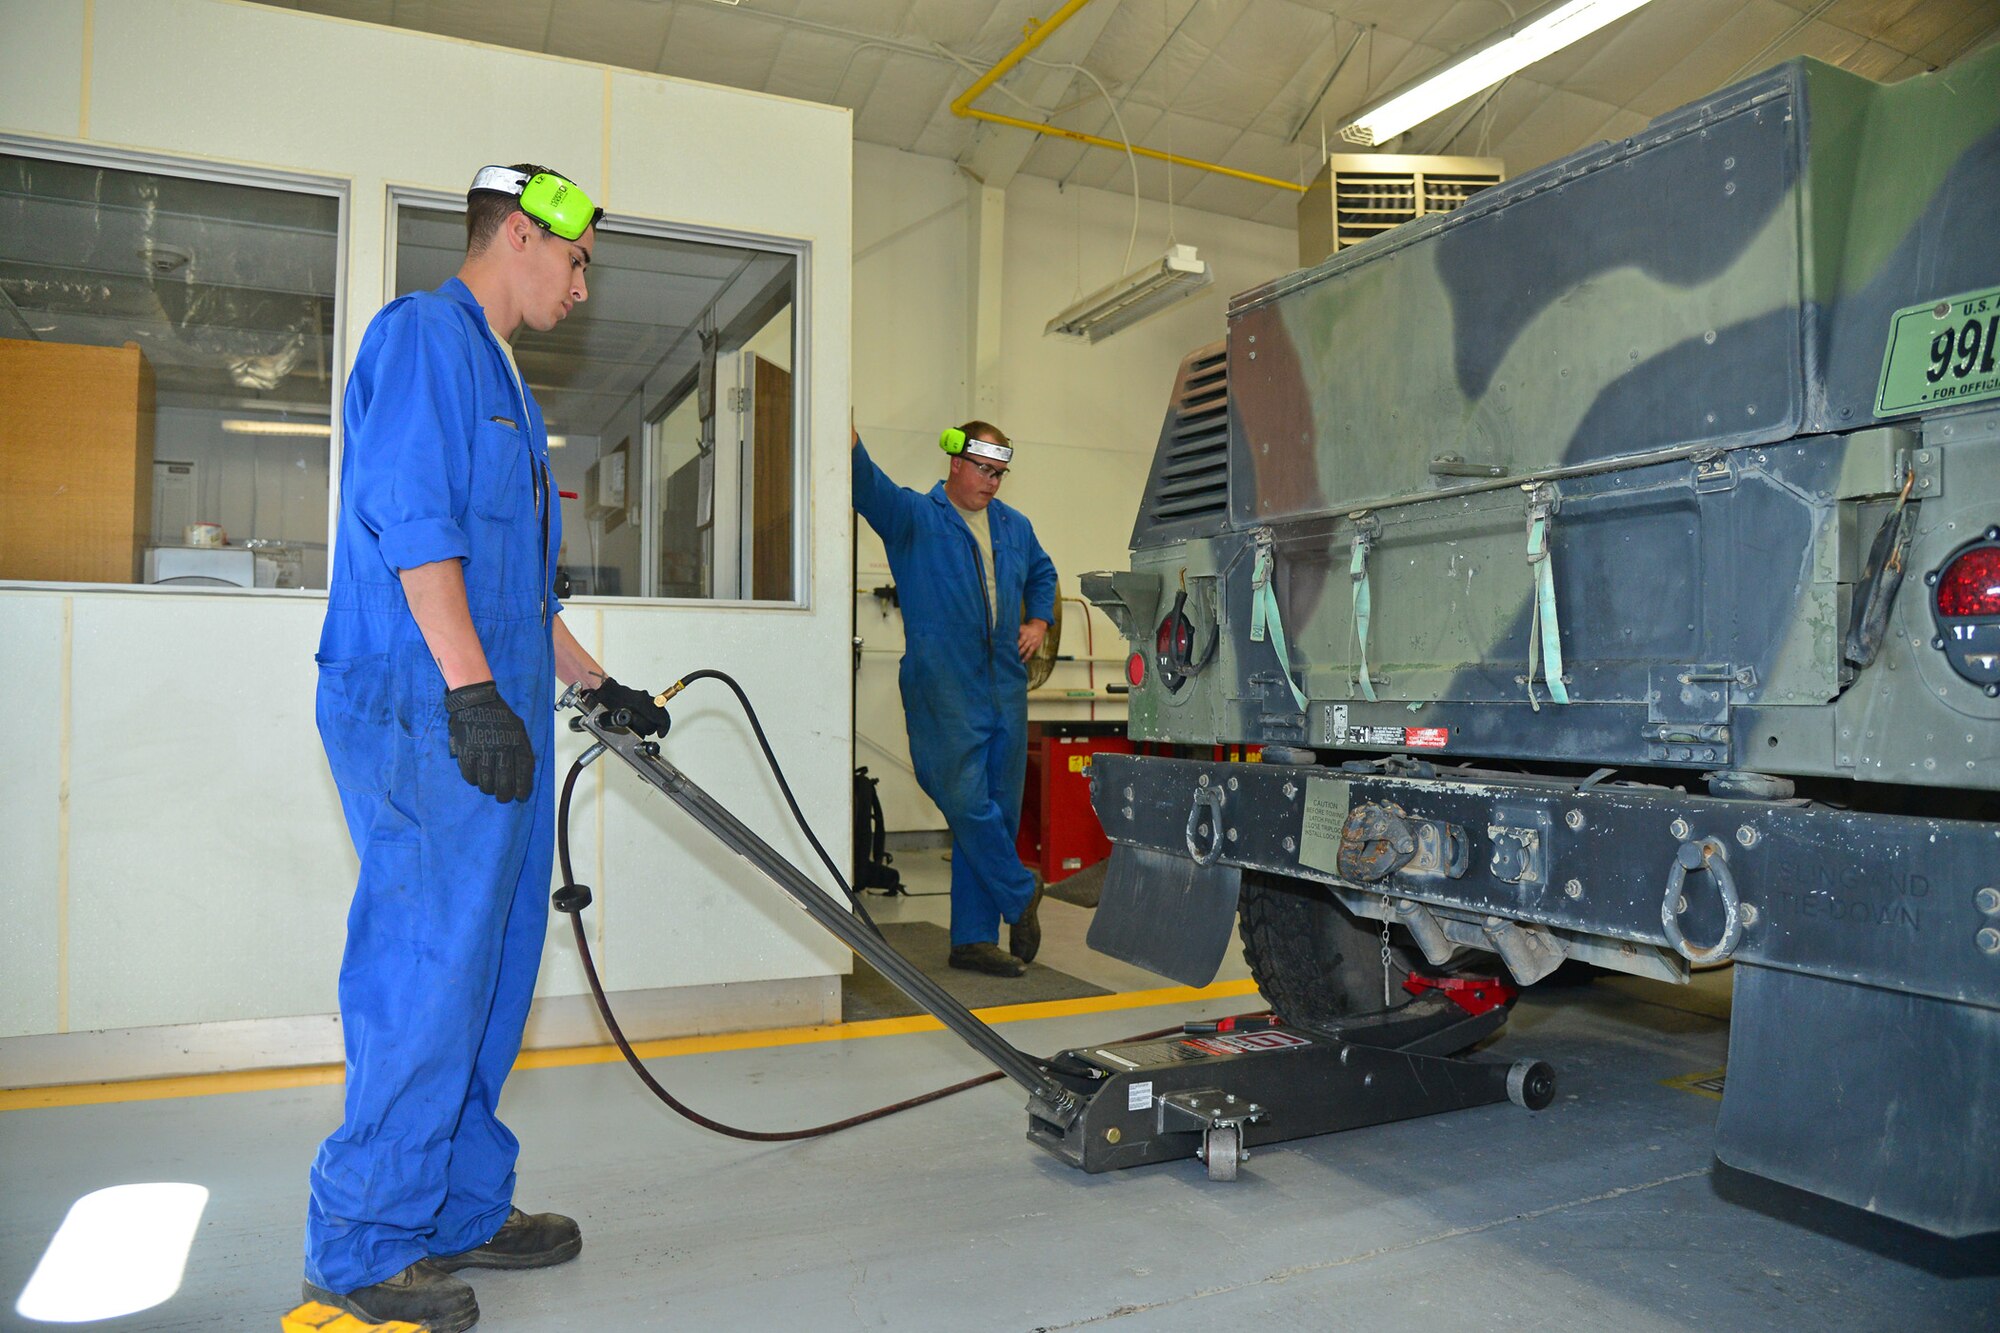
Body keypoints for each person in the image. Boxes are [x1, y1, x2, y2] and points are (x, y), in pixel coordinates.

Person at [303, 165, 668, 1332]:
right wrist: (469, 690)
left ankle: (455, 1205)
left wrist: (597, 683)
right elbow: (412, 529)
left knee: (494, 964)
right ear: (517, 234)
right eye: (572, 261)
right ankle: (363, 1243)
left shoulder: (507, 378)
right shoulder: (424, 339)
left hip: (482, 711)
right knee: (427, 964)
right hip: (424, 711)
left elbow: (517, 589)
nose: (579, 284)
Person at [852, 421, 1056, 978]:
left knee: (996, 807)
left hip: (1005, 685)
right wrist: (846, 438)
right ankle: (1019, 889)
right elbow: (867, 486)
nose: (992, 483)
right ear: (956, 463)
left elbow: (1043, 571)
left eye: (1000, 474)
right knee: (962, 796)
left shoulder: (1015, 526)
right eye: (985, 470)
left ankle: (973, 938)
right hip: (943, 681)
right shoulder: (916, 517)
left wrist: (1038, 620)